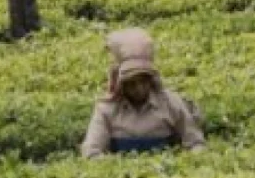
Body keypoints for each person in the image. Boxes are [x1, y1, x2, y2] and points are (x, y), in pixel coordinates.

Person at [81, 28, 206, 157]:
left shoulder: (171, 104)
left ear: (150, 80)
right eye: (132, 84)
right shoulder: (107, 109)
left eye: (143, 81)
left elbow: (195, 143)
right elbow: (91, 150)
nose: (139, 88)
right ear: (122, 85)